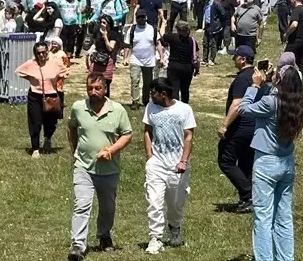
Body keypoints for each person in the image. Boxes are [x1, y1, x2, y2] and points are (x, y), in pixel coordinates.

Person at [241, 52, 303, 261]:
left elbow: (244, 109)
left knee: (262, 217)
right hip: (286, 161)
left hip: (266, 162)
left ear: (279, 81)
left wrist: (254, 86)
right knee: (284, 216)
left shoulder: (270, 102)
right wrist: (270, 82)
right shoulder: (296, 102)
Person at [67, 73, 132, 261]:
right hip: (83, 167)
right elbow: (71, 127)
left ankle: (104, 236)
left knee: (107, 207)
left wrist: (111, 150)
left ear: (105, 88)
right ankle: (78, 244)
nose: (93, 92)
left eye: (97, 88)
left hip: (109, 170)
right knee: (81, 205)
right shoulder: (78, 107)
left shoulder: (117, 110)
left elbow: (127, 134)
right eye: (90, 88)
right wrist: (75, 151)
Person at [142, 78, 196, 254]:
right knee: (154, 202)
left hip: (177, 165)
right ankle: (155, 238)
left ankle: (175, 228)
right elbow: (147, 131)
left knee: (175, 204)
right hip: (156, 164)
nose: (151, 96)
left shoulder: (184, 109)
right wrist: (150, 157)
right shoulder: (151, 108)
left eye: (153, 93)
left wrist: (183, 161)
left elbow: (188, 136)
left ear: (163, 94)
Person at [218, 45, 259, 213]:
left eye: (235, 56)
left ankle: (247, 194)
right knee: (245, 162)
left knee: (225, 160)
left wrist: (225, 125)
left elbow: (237, 104)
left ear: (242, 59)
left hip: (239, 128)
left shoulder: (242, 78)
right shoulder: (256, 76)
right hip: (253, 127)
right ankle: (248, 199)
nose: (233, 59)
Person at [16, 40, 67, 157]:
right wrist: (31, 79)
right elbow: (19, 71)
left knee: (51, 121)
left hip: (51, 95)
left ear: (47, 52)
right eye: (38, 53)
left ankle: (48, 138)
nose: (41, 55)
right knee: (35, 122)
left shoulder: (55, 63)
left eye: (43, 52)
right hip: (35, 95)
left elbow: (65, 71)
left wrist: (57, 81)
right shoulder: (31, 63)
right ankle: (35, 148)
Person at [125, 10, 159, 109]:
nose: (141, 19)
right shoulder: (132, 29)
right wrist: (125, 58)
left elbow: (158, 44)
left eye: (142, 17)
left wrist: (161, 57)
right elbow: (127, 45)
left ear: (146, 17)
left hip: (149, 60)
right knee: (135, 80)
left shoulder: (152, 29)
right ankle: (135, 101)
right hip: (135, 59)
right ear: (136, 18)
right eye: (138, 17)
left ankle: (146, 100)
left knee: (148, 82)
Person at [87, 15, 117, 97]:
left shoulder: (113, 34)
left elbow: (110, 48)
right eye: (100, 22)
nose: (101, 24)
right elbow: (95, 43)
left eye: (104, 22)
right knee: (93, 80)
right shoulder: (97, 32)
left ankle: (105, 101)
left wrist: (105, 36)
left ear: (109, 24)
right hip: (96, 60)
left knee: (105, 83)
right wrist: (90, 51)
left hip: (107, 61)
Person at [284, 0, 303, 77]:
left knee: (286, 59)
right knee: (301, 61)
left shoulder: (296, 10)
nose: (289, 0)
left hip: (295, 40)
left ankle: (286, 77)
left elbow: (294, 24)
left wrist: (286, 34)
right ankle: (301, 78)